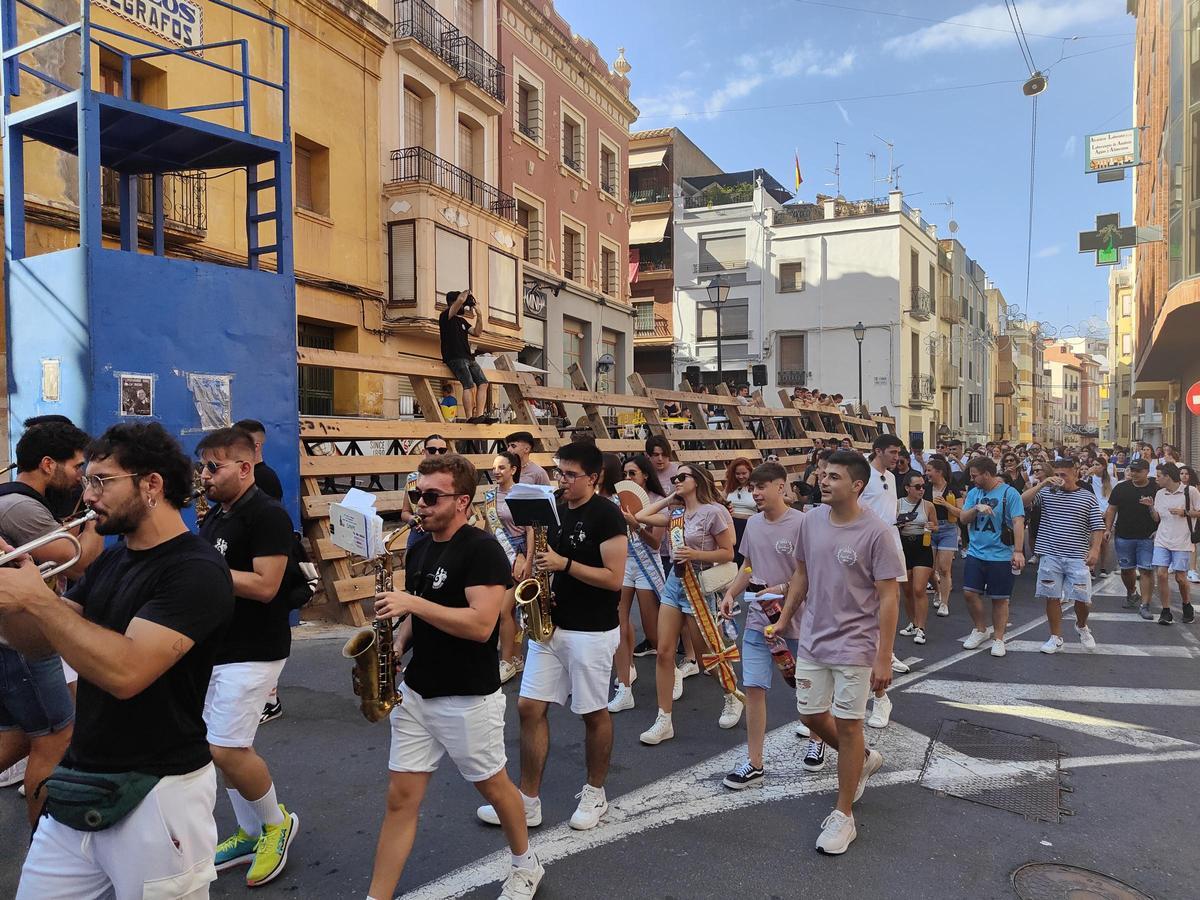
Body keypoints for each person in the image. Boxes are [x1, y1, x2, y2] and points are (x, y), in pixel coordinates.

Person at [0, 422, 234, 899]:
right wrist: (12, 601)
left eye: (101, 481)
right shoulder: (114, 559)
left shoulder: (197, 569)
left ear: (152, 484)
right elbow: (44, 643)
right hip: (82, 781)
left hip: (159, 793)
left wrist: (40, 601)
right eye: (87, 480)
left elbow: (127, 672)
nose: (88, 496)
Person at [369, 453, 542, 900]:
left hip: (466, 697)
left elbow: (480, 624)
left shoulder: (481, 549)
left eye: (431, 496)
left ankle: (526, 863)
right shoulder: (419, 543)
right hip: (417, 693)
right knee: (400, 798)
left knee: (497, 788)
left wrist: (412, 604)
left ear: (462, 501)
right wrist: (400, 642)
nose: (420, 504)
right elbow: (421, 605)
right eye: (416, 494)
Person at [475, 440, 626, 834]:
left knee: (593, 713)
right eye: (560, 471)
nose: (562, 480)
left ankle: (595, 793)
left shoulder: (607, 516)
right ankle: (527, 801)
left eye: (571, 475)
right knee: (528, 707)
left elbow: (614, 579)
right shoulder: (554, 507)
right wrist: (529, 566)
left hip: (591, 629)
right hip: (550, 625)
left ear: (594, 478)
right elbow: (537, 548)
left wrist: (566, 564)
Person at [775, 450, 902, 855]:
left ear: (857, 485)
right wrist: (784, 619)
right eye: (822, 474)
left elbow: (888, 598)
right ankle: (862, 758)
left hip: (855, 645)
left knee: (848, 725)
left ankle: (843, 815)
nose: (823, 480)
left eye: (833, 476)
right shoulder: (811, 520)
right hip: (814, 637)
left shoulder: (877, 532)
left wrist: (884, 655)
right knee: (809, 714)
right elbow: (802, 573)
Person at [197, 428, 300, 887]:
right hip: (219, 648)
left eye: (213, 467)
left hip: (256, 649)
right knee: (225, 747)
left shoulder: (268, 515)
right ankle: (250, 828)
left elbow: (265, 586)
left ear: (244, 467)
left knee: (226, 746)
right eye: (202, 467)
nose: (204, 476)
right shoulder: (216, 516)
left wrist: (200, 566)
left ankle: (277, 825)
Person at [0, 421, 102, 827]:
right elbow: (80, 563)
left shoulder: (23, 501)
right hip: (23, 639)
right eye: (78, 468)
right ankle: (45, 845)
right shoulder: (20, 506)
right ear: (47, 465)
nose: (81, 478)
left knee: (21, 736)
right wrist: (95, 518)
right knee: (55, 737)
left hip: (21, 634)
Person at [636, 464, 741, 744]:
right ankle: (664, 718)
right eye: (674, 478)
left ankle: (732, 695)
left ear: (698, 481)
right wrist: (670, 498)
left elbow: (728, 552)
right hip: (675, 582)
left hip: (699, 582)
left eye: (682, 477)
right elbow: (639, 517)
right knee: (664, 652)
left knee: (707, 659)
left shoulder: (713, 512)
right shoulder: (677, 512)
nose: (676, 481)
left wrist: (695, 552)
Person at [718, 462, 804, 789]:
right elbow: (748, 566)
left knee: (807, 690)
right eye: (753, 487)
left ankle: (818, 736)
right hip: (758, 621)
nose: (755, 492)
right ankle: (754, 762)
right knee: (754, 688)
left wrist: (779, 590)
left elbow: (806, 572)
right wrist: (730, 593)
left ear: (781, 487)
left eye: (762, 486)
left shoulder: (802, 524)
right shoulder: (752, 523)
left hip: (796, 620)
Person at [1019, 459, 1105, 653]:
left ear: (1075, 474)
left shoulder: (1087, 497)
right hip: (1050, 554)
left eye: (1063, 475)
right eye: (1056, 474)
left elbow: (1097, 527)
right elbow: (1022, 500)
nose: (1059, 479)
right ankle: (1055, 637)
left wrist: (1095, 550)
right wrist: (1042, 483)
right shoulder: (1046, 493)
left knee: (1082, 599)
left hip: (1077, 556)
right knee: (1052, 596)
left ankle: (1081, 625)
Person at [855, 434, 908, 729]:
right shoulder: (864, 474)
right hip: (866, 546)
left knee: (888, 602)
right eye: (891, 452)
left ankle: (884, 665)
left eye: (898, 452)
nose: (895, 457)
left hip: (890, 542)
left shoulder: (890, 476)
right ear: (877, 451)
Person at [610, 455, 667, 713]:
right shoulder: (617, 499)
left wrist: (636, 526)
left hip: (647, 564)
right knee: (619, 623)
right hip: (623, 563)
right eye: (625, 474)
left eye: (633, 473)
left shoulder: (657, 502)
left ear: (645, 475)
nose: (628, 478)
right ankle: (624, 686)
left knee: (651, 628)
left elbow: (656, 544)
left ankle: (672, 670)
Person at [959, 458, 1025, 657]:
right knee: (969, 593)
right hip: (976, 551)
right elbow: (963, 518)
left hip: (1000, 554)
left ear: (987, 474)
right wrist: (976, 508)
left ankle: (998, 638)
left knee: (1000, 599)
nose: (972, 479)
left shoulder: (1009, 493)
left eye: (974, 475)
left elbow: (1018, 522)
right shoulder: (974, 493)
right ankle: (980, 629)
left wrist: (1018, 550)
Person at [488, 451, 532, 684]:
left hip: (518, 555)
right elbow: (490, 528)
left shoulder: (522, 494)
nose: (497, 471)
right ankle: (515, 656)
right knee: (508, 611)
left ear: (513, 470)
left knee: (507, 610)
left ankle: (506, 661)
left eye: (502, 467)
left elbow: (531, 530)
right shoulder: (489, 496)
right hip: (498, 554)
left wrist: (527, 558)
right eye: (495, 467)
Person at [1148, 462, 1200, 625]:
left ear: (1167, 477)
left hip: (1182, 540)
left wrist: (1184, 512)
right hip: (1162, 539)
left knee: (1180, 577)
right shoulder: (1160, 494)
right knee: (1161, 574)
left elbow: (1198, 512)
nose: (1156, 479)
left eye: (1159, 476)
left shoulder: (1190, 491)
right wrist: (1150, 508)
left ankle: (1186, 605)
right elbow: (1157, 518)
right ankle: (1166, 611)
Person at [1106, 458, 1158, 614]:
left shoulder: (1156, 487)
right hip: (1124, 535)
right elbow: (1111, 509)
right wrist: (1108, 529)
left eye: (1138, 471)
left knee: (1146, 570)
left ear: (1147, 472)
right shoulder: (1121, 488)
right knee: (1126, 570)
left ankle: (1145, 605)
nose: (1134, 474)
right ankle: (1132, 592)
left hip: (1148, 537)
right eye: (1132, 470)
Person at [896, 473, 936, 646]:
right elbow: (891, 523)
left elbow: (936, 525)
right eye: (917, 487)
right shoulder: (898, 503)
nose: (921, 490)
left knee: (919, 589)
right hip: (904, 546)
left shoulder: (928, 506)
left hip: (922, 545)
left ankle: (921, 628)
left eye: (923, 486)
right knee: (906, 590)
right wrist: (899, 525)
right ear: (907, 488)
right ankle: (912, 622)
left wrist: (931, 526)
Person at [439, 289, 490, 422]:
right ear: (453, 302)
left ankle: (479, 415)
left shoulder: (462, 321)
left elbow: (477, 332)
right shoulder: (445, 316)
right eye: (461, 305)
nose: (464, 307)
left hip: (468, 357)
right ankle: (469, 417)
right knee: (468, 385)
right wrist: (467, 292)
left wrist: (479, 315)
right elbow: (461, 300)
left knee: (483, 383)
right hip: (455, 357)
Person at [400, 435, 450, 553]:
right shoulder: (412, 479)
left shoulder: (452, 479)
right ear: (424, 451)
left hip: (442, 531)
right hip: (419, 532)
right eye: (432, 450)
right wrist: (412, 518)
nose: (437, 454)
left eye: (442, 451)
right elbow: (405, 512)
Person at [925, 457, 960, 618]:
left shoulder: (953, 488)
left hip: (948, 528)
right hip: (929, 528)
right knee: (929, 569)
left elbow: (961, 512)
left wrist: (946, 504)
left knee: (944, 568)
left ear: (939, 472)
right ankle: (937, 591)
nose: (926, 474)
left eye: (929, 470)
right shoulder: (925, 488)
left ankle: (944, 602)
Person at [233, 418, 283, 502]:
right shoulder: (245, 473)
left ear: (256, 446)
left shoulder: (265, 478)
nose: (232, 448)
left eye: (237, 444)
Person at [724, 457, 756, 565]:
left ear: (750, 472)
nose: (741, 476)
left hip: (749, 525)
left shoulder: (755, 487)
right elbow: (720, 500)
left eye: (744, 473)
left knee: (748, 558)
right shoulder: (730, 487)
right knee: (735, 559)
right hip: (732, 525)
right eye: (738, 473)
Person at [1180, 465, 1200, 584]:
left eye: (1186, 474)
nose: (1184, 476)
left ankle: (1192, 570)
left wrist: (1186, 513)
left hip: (1190, 521)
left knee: (1191, 544)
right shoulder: (1172, 488)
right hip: (1176, 521)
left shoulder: (1193, 489)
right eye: (1181, 473)